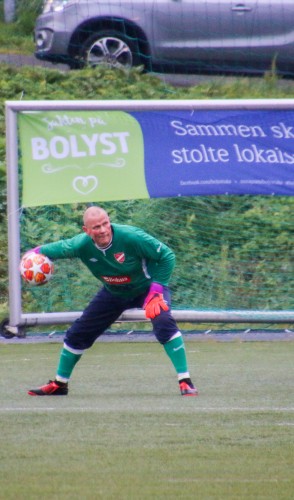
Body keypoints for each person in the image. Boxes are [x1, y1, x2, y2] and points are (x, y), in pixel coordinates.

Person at [28, 206, 198, 397]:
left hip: (148, 289)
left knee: (164, 321)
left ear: (109, 222)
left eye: (105, 224)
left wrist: (157, 289)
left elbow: (167, 256)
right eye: (96, 227)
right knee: (78, 334)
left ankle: (185, 381)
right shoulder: (80, 245)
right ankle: (60, 384)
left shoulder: (131, 237)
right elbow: (54, 249)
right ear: (86, 231)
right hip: (113, 293)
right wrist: (32, 255)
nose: (102, 230)